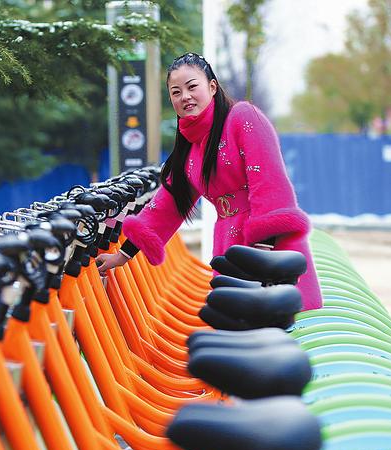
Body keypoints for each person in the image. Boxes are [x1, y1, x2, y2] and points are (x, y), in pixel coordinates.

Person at [96, 52, 322, 311]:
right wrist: (122, 255)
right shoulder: (189, 149)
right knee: (236, 326)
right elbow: (166, 206)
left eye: (192, 86)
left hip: (270, 248)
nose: (185, 96)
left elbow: (269, 184)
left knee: (279, 326)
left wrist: (263, 255)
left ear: (212, 87)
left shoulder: (243, 117)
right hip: (229, 245)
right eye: (176, 92)